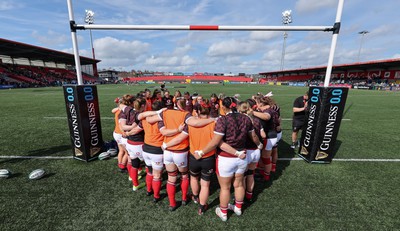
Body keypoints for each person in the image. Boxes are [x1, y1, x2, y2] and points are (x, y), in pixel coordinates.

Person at [195, 97, 263, 222]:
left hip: (226, 159)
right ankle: (238, 208)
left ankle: (224, 212)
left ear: (223, 107)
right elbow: (253, 135)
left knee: (225, 188)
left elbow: (216, 142)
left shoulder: (222, 120)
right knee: (239, 184)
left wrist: (201, 152)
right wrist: (259, 145)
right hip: (242, 157)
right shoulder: (246, 118)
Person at [146, 98, 216, 211]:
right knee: (184, 175)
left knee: (171, 177)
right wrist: (213, 119)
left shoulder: (164, 113)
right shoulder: (186, 115)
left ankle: (172, 203)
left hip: (167, 151)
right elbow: (192, 127)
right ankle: (184, 198)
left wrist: (166, 144)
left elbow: (150, 121)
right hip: (180, 151)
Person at [111, 97, 128, 172]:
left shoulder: (117, 110)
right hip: (121, 134)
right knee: (128, 153)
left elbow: (113, 110)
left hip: (116, 133)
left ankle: (120, 164)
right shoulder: (124, 112)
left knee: (121, 150)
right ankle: (122, 166)